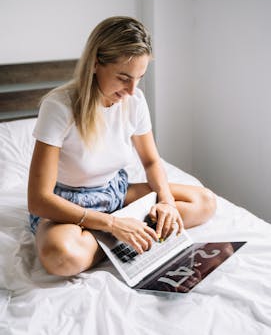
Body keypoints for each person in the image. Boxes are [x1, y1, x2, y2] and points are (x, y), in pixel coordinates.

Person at [28, 16, 216, 277]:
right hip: (67, 203)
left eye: (139, 78)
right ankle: (126, 237)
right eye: (123, 77)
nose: (131, 90)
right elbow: (38, 200)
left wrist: (167, 202)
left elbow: (150, 161)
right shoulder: (59, 107)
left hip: (113, 192)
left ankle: (122, 236)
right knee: (60, 257)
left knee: (204, 201)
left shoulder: (135, 100)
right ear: (95, 63)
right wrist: (113, 224)